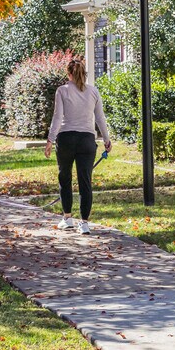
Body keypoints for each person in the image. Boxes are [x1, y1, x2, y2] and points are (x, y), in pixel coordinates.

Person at [44, 57, 112, 234]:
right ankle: (84, 223)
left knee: (65, 178)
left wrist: (50, 140)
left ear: (68, 74)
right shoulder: (93, 91)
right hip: (87, 140)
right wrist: (106, 139)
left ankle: (67, 218)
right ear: (84, 74)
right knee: (85, 181)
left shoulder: (62, 90)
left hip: (66, 139)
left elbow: (58, 117)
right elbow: (100, 118)